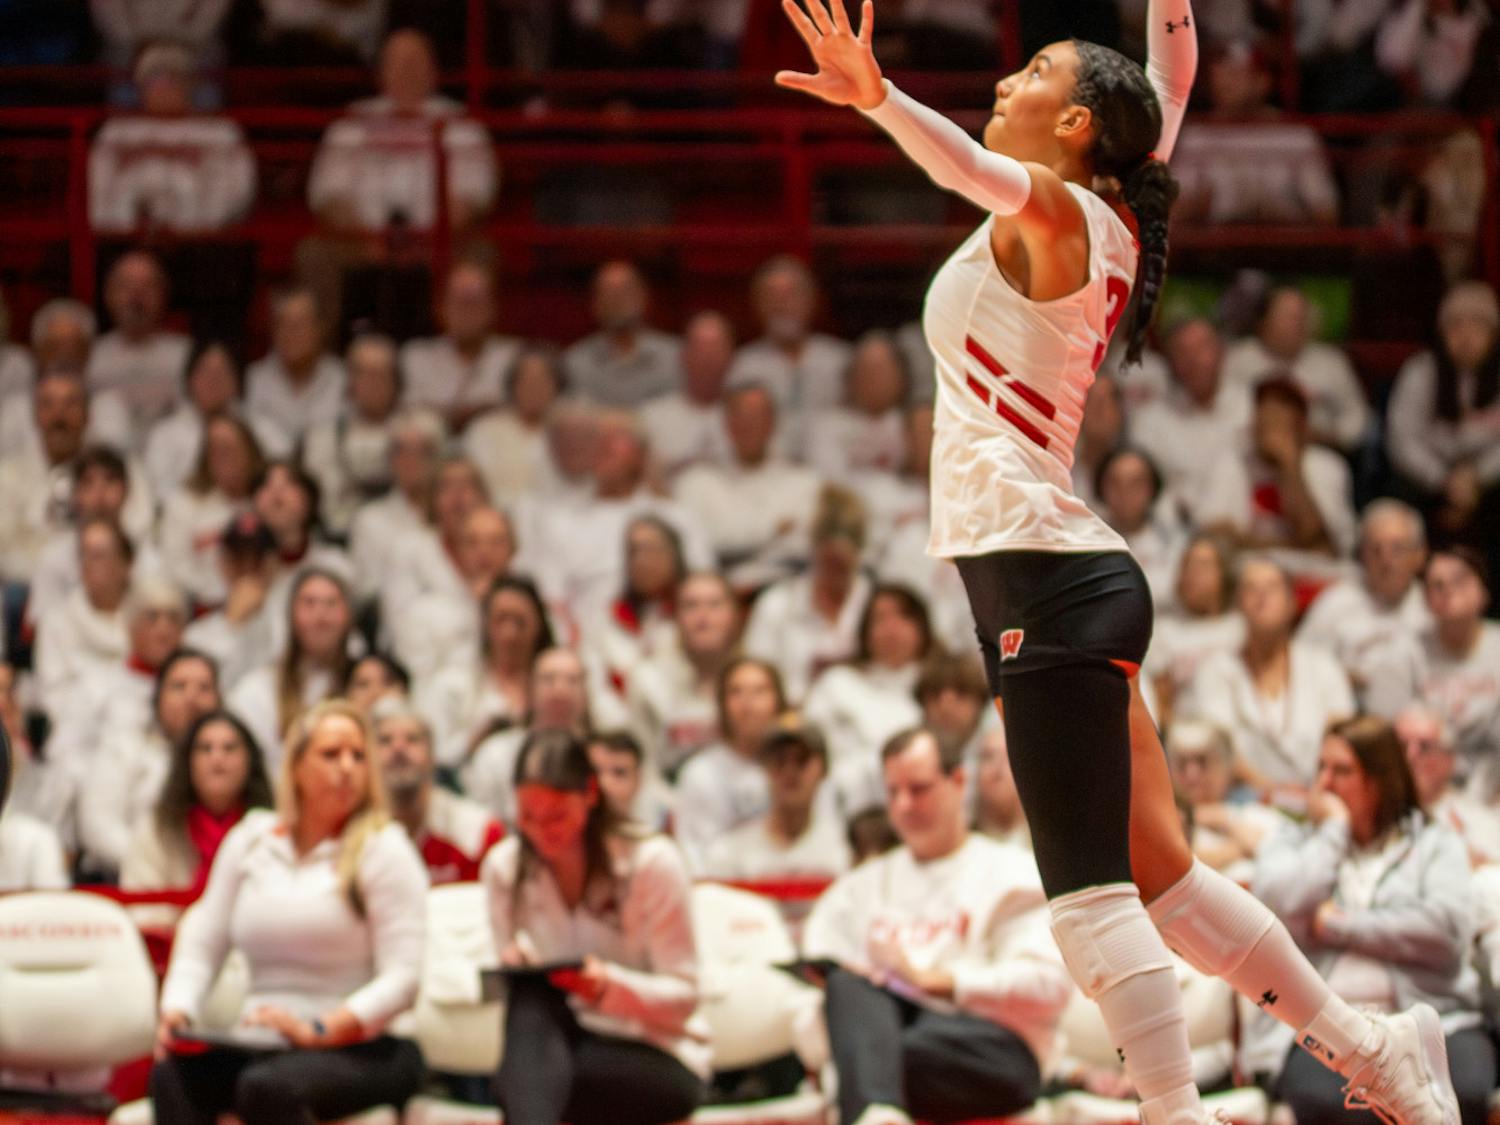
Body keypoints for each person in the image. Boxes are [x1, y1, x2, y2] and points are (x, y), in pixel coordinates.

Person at [774, 5, 1456, 1125]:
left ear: (1078, 122)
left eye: (1035, 70)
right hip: (1062, 577)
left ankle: (1175, 1114)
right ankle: (1374, 1051)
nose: (1008, 77)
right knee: (1166, 886)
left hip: (1046, 581)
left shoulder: (1063, 213)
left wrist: (879, 99)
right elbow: (1169, 80)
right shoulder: (1116, 205)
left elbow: (970, 169)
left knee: (1090, 902)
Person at [151, 700, 428, 1125]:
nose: (348, 767)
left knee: (266, 1088)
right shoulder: (252, 839)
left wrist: (320, 1028)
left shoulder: (385, 847)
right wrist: (177, 1009)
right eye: (331, 754)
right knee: (172, 1075)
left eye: (358, 755)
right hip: (263, 1040)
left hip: (366, 1046)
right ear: (296, 767)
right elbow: (204, 936)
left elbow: (404, 978)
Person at [802, 727, 1071, 1125]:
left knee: (868, 1054)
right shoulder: (856, 889)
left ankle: (874, 1099)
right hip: (895, 1039)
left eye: (919, 789)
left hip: (989, 1046)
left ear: (958, 781)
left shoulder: (1012, 871)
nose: (904, 805)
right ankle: (880, 1113)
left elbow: (1049, 987)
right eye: (893, 792)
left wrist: (936, 981)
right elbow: (817, 986)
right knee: (847, 987)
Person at [1249, 716, 1493, 1125]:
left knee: (1465, 1089)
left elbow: (1444, 930)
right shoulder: (1293, 839)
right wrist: (1334, 831)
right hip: (1323, 1027)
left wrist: (1336, 926)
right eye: (1321, 768)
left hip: (1434, 1018)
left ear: (1379, 780)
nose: (1324, 784)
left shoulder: (1433, 841)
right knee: (1337, 1103)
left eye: (1342, 771)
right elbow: (1274, 908)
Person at [481, 729, 708, 1125]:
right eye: (528, 817)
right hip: (553, 1044)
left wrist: (607, 987)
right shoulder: (505, 867)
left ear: (590, 793)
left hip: (655, 1053)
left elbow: (685, 997)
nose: (543, 832)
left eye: (557, 816)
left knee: (521, 1079)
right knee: (529, 1004)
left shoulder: (652, 862)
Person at [1179, 555, 1355, 796]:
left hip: (1320, 792)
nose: (1261, 597)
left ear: (1292, 603)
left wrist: (1316, 791)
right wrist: (1272, 792)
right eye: (1250, 589)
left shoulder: (1324, 667)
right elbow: (1220, 750)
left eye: (1272, 588)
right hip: (1243, 800)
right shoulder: (1216, 669)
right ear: (1237, 604)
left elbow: (1341, 735)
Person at [120, 709, 274, 926]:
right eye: (205, 748)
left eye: (229, 748)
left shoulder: (272, 831)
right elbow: (143, 912)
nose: (217, 758)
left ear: (250, 761)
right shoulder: (156, 831)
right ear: (187, 762)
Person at [1366, 546, 1500, 775]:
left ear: (1484, 592)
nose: (1448, 589)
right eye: (1437, 585)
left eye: (1460, 580)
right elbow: (1383, 732)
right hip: (1419, 773)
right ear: (1425, 599)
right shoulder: (1402, 652)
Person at [742, 484, 872, 704]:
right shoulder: (776, 604)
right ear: (814, 552)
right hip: (792, 717)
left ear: (858, 556)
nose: (834, 572)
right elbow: (754, 675)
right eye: (828, 561)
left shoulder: (875, 602)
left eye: (842, 564)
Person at [226, 567, 357, 774]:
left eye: (331, 603)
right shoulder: (259, 688)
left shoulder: (367, 681)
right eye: (309, 603)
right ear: (290, 615)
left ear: (349, 615)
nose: (320, 615)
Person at [1297, 499, 1431, 698]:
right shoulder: (1335, 602)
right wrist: (1337, 678)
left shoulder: (1436, 604)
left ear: (1420, 555)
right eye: (1376, 549)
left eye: (1397, 548)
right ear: (1362, 556)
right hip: (1348, 716)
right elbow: (1299, 669)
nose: (1386, 560)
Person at [672, 657, 786, 875]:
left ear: (779, 701)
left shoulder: (799, 769)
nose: (748, 703)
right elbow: (693, 853)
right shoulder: (699, 772)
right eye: (736, 692)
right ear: (722, 704)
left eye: (760, 691)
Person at [701, 716, 850, 884]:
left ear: (823, 769)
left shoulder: (845, 849)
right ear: (764, 769)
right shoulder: (729, 854)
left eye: (802, 760)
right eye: (780, 760)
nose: (790, 771)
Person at [802, 583, 933, 769]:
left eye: (903, 616)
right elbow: (810, 745)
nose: (891, 628)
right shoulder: (838, 684)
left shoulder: (945, 689)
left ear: (923, 627)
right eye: (880, 619)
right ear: (865, 632)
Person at [372, 701, 504, 885]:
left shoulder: (477, 833)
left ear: (433, 755)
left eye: (412, 739)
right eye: (385, 741)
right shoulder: (354, 837)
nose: (398, 748)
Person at [401, 260, 522, 432]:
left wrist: (446, 414)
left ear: (492, 308)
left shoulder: (515, 358)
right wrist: (482, 410)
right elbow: (410, 417)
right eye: (459, 301)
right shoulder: (416, 356)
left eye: (474, 302)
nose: (466, 311)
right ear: (442, 308)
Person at [562, 261, 681, 408]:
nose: (617, 299)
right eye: (608, 292)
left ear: (643, 296)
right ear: (595, 303)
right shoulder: (576, 363)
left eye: (625, 291)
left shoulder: (677, 358)